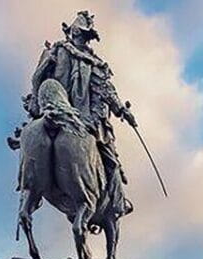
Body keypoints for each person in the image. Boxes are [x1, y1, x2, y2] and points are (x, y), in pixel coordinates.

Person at [13, 10, 135, 222]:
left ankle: (27, 196)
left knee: (31, 136)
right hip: (85, 120)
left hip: (52, 110)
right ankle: (117, 203)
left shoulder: (55, 52)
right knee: (112, 162)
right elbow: (107, 92)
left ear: (72, 33)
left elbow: (40, 80)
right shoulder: (94, 62)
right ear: (87, 37)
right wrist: (123, 111)